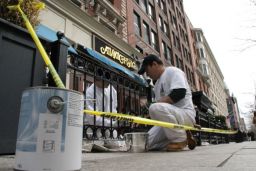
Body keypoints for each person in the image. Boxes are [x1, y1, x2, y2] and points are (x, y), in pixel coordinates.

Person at [138, 54, 196, 151]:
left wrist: (153, 105)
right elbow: (162, 109)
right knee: (145, 144)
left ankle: (180, 139)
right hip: (171, 119)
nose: (147, 74)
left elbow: (180, 92)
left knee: (154, 108)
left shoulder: (172, 71)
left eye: (147, 70)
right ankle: (183, 134)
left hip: (185, 114)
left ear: (154, 64)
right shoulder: (156, 86)